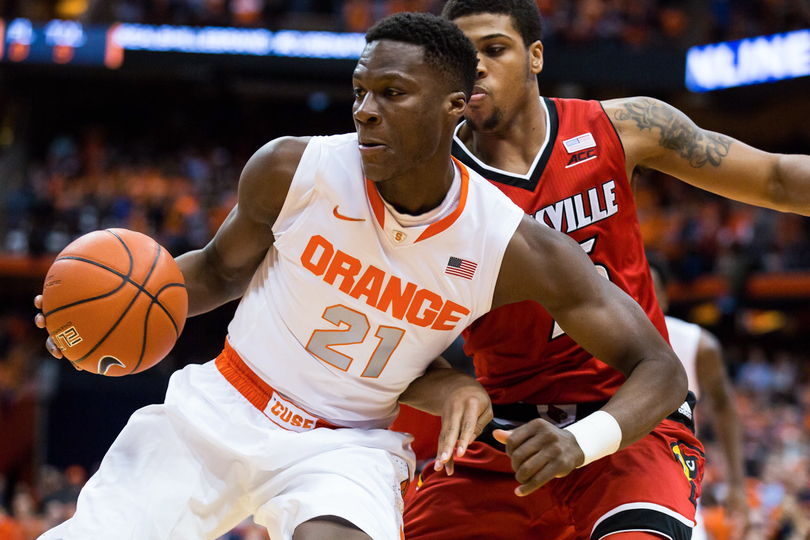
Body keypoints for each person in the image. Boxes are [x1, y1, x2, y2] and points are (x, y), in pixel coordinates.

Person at [33, 12, 687, 540]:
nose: (365, 110)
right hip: (224, 406)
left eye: (392, 94)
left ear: (454, 106)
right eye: (360, 91)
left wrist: (580, 441)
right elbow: (217, 270)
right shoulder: (292, 169)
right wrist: (93, 307)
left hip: (347, 446)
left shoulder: (512, 244)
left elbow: (659, 368)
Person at [401, 1, 810, 539]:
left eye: (495, 49)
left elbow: (776, 178)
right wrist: (454, 388)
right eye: (460, 56)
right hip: (508, 437)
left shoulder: (622, 126)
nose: (475, 66)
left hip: (634, 418)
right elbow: (389, 349)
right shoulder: (429, 185)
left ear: (535, 56)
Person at [647, 256, 750, 540]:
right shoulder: (594, 340)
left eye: (649, 290)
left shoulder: (697, 346)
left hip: (679, 488)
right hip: (611, 482)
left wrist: (737, 484)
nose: (640, 299)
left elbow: (723, 407)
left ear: (665, 298)